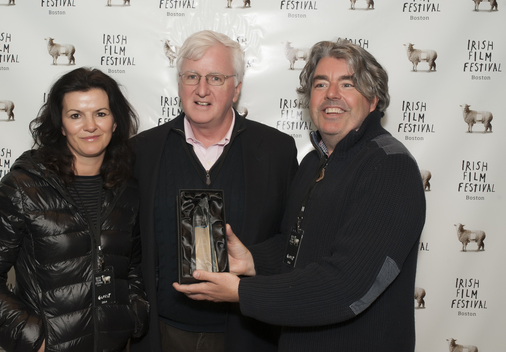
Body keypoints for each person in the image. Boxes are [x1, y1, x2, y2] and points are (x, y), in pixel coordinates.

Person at [174, 39, 426, 351]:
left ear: (373, 99)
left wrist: (242, 292)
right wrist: (252, 260)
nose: (331, 94)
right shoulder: (313, 162)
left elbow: (347, 284)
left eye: (347, 83)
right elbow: (295, 245)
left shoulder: (389, 167)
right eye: (321, 84)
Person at [130, 30, 298, 352]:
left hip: (248, 333)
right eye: (192, 76)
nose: (201, 89)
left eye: (216, 78)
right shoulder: (143, 151)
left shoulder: (277, 150)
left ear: (236, 89)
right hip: (163, 333)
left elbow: (293, 240)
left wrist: (253, 259)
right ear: (179, 84)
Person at [0, 68, 149, 352]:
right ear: (61, 125)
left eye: (101, 113)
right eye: (76, 115)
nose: (90, 126)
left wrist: (132, 316)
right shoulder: (24, 186)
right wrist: (35, 341)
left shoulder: (128, 188)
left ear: (115, 122)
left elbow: (132, 266)